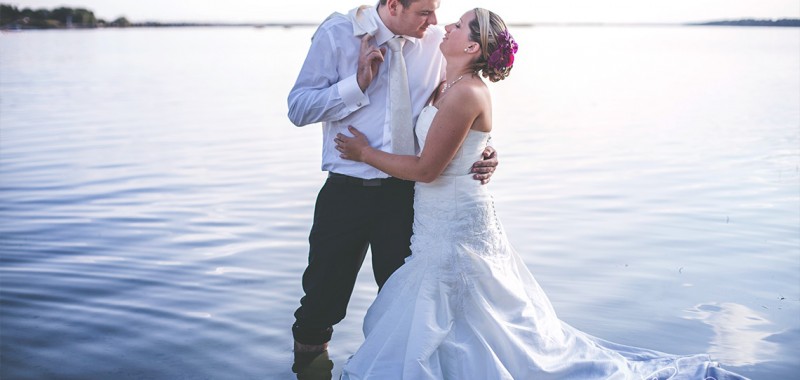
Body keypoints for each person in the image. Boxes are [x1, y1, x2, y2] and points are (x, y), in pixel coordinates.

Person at [335, 8, 750, 379]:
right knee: (465, 308)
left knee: (455, 299)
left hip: (453, 219)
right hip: (436, 218)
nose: (446, 24)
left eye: (458, 25)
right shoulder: (446, 85)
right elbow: (451, 144)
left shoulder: (465, 93)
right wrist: (485, 150)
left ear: (473, 45)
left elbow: (426, 170)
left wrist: (365, 153)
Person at [286, 0, 499, 364]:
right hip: (346, 192)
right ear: (395, 5)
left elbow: (461, 104)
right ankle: (309, 369)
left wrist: (483, 150)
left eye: (436, 11)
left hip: (410, 198)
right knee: (320, 305)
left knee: (407, 304)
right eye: (424, 12)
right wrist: (356, 85)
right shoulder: (338, 33)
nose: (435, 21)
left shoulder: (436, 42)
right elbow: (298, 109)